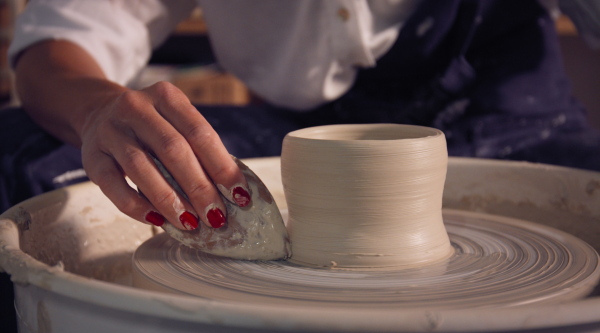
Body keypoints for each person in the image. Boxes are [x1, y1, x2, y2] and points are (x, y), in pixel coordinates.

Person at [4, 0, 600, 239]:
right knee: (20, 154)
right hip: (308, 138)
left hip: (507, 115)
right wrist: (96, 110)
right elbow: (60, 40)